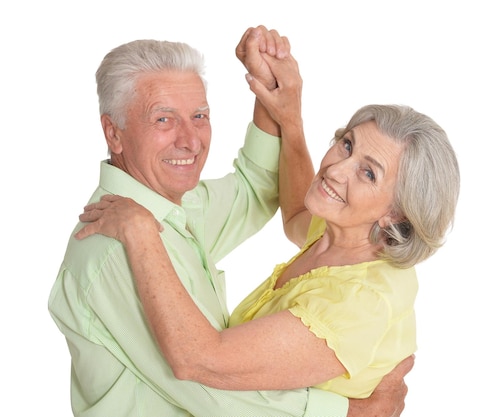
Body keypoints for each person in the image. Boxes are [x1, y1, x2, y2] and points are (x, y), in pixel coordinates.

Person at [48, 26, 412, 417]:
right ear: (113, 133)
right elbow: (205, 384)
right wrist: (353, 412)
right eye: (163, 120)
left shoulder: (173, 206)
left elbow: (254, 188)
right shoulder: (114, 248)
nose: (190, 140)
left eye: (199, 115)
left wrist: (272, 90)